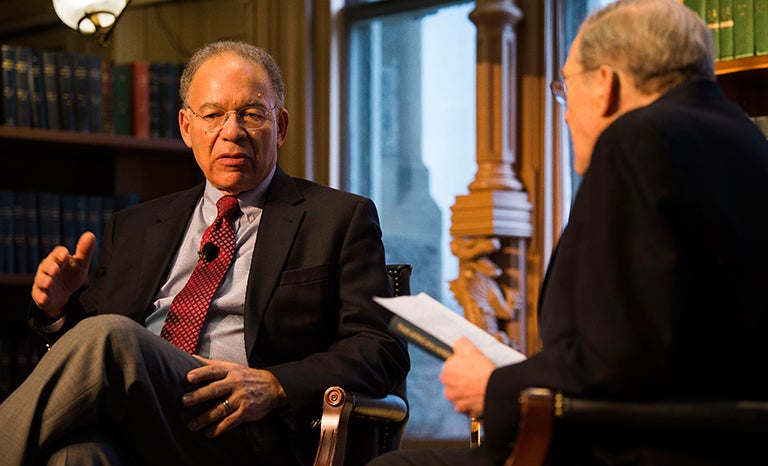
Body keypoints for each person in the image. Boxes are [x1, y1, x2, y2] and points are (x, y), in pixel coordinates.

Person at [369, 0, 768, 465]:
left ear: (605, 84)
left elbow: (618, 363)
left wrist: (493, 386)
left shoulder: (637, 140)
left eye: (565, 89)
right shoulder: (749, 143)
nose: (564, 113)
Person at [0, 40, 409, 466]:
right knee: (77, 454)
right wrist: (58, 311)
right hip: (141, 420)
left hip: (248, 429)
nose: (232, 131)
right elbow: (86, 366)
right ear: (186, 127)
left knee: (112, 335)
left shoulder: (338, 218)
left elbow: (381, 347)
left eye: (252, 114)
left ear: (281, 126)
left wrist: (274, 384)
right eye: (213, 115)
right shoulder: (136, 226)